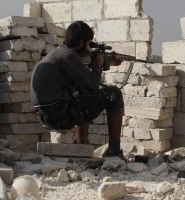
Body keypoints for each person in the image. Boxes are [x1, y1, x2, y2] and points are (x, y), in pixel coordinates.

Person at [30, 21, 125, 158]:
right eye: (88, 44)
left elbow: (83, 83)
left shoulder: (60, 53)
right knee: (114, 94)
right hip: (57, 114)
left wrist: (106, 62)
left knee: (83, 94)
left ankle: (82, 145)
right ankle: (114, 151)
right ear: (81, 43)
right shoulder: (68, 56)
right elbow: (92, 85)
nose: (89, 48)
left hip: (48, 113)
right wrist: (97, 67)